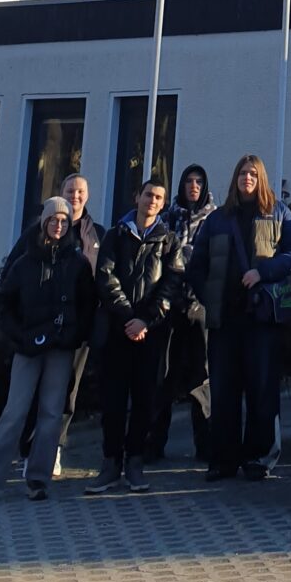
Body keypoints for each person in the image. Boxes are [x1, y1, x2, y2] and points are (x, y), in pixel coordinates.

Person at [185, 153, 291, 481]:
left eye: (252, 173)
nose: (247, 178)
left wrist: (262, 272)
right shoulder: (218, 219)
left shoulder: (278, 213)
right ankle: (223, 460)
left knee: (261, 390)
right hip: (224, 320)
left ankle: (258, 459)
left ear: (261, 178)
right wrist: (209, 298)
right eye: (242, 173)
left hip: (262, 318)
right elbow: (197, 265)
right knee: (223, 391)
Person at [0, 197, 95, 507]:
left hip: (61, 348)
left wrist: (74, 335)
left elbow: (87, 305)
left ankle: (38, 478)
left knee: (52, 414)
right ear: (44, 223)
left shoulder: (77, 263)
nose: (59, 225)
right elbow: (4, 304)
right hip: (28, 348)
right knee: (14, 413)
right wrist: (20, 337)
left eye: (64, 221)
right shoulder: (24, 263)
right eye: (53, 220)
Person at [4, 171, 106, 476]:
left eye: (80, 191)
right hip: (38, 327)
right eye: (70, 190)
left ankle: (53, 448)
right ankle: (28, 451)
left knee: (66, 393)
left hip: (75, 330)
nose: (76, 196)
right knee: (31, 393)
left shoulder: (96, 233)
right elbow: (11, 277)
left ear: (87, 196)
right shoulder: (35, 233)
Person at [85, 178, 182, 495]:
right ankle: (111, 462)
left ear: (163, 204)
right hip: (117, 330)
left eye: (159, 198)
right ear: (136, 197)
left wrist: (146, 320)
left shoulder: (169, 241)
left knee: (145, 399)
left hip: (151, 333)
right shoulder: (116, 235)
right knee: (113, 400)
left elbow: (172, 283)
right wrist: (128, 317)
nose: (152, 201)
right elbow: (105, 277)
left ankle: (135, 461)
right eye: (148, 195)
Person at [150, 162, 215, 463]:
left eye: (199, 182)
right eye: (189, 181)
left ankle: (205, 444)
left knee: (201, 377)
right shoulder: (166, 218)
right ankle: (154, 443)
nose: (194, 186)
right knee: (163, 375)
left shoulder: (214, 220)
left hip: (200, 306)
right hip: (169, 306)